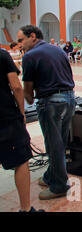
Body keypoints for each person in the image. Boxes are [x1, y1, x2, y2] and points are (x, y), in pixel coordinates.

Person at [18, 25, 76, 200]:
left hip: (50, 102)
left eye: (21, 40)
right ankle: (51, 176)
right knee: (59, 142)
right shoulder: (57, 50)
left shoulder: (29, 56)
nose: (19, 44)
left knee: (53, 144)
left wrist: (25, 102)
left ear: (33, 36)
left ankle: (59, 185)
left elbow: (27, 92)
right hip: (69, 99)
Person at [0, 49, 44, 212]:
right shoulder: (2, 55)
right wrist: (21, 112)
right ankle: (25, 209)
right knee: (21, 161)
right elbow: (16, 87)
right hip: (6, 118)